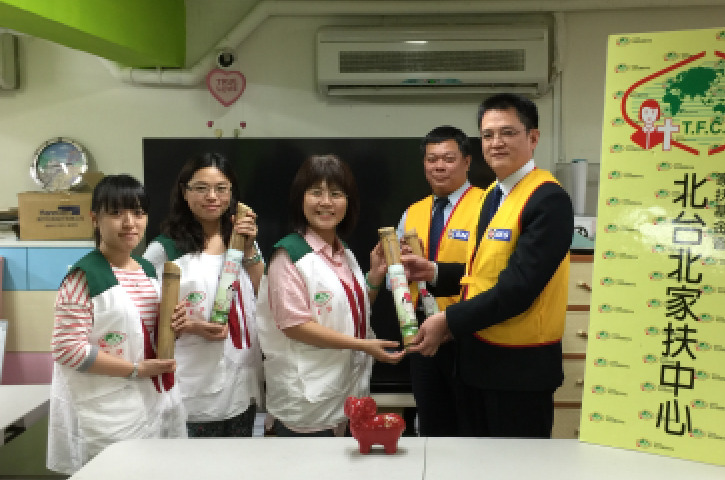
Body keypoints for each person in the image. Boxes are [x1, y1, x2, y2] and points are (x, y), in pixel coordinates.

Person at [402, 93, 574, 438]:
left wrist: (449, 320)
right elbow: (482, 274)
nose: (496, 143)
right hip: (477, 365)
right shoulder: (493, 195)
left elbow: (518, 288)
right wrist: (434, 272)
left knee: (516, 464)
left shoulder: (548, 199)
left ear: (533, 138)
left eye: (507, 132)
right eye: (488, 134)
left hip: (520, 372)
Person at [256, 154, 405, 437]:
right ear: (300, 199)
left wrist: (374, 278)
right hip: (305, 405)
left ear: (348, 203)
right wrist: (363, 346)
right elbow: (295, 325)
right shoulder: (288, 255)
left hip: (346, 397)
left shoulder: (343, 252)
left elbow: (349, 312)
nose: (326, 202)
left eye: (336, 194)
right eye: (316, 192)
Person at [47, 174, 187, 474]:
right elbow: (67, 349)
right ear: (94, 219)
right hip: (105, 410)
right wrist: (135, 369)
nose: (129, 223)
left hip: (151, 399)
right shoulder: (83, 276)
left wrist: (174, 325)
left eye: (138, 213)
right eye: (116, 213)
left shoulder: (147, 270)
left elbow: (141, 332)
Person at [142, 152, 264, 437]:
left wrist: (249, 249)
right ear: (184, 192)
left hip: (241, 382)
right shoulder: (164, 249)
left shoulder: (241, 240)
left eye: (221, 188)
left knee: (237, 459)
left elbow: (266, 296)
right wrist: (190, 325)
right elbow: (143, 316)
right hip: (192, 384)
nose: (212, 196)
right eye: (201, 188)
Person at [395, 125, 483, 436]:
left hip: (468, 331)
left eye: (448, 158)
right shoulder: (412, 212)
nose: (439, 166)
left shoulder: (487, 206)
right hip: (422, 334)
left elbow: (491, 273)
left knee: (472, 426)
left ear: (467, 161)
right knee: (432, 427)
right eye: (432, 159)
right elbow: (397, 277)